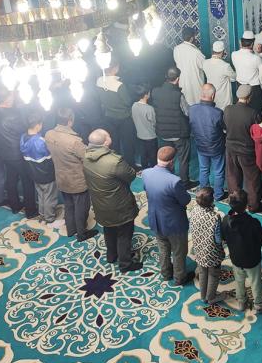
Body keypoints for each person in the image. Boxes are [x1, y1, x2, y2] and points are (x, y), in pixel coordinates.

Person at [83, 129, 141, 272]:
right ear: (106, 142)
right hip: (119, 205)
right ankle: (125, 263)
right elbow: (131, 175)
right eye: (108, 135)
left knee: (109, 229)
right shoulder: (114, 161)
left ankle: (112, 255)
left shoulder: (85, 156)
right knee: (124, 233)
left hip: (99, 203)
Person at [142, 146, 194, 285]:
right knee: (178, 251)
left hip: (155, 219)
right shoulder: (174, 181)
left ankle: (165, 273)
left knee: (163, 248)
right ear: (172, 162)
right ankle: (180, 278)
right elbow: (185, 200)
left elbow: (147, 190)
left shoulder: (146, 173)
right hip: (174, 223)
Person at [45, 108, 98, 241]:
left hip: (61, 177)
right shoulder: (73, 141)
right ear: (70, 121)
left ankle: (71, 229)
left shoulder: (49, 134)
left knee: (68, 205)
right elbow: (87, 157)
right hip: (76, 180)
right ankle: (81, 233)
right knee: (82, 207)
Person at [221, 190, 262, 313]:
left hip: (236, 258)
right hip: (252, 259)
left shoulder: (225, 220)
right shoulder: (253, 223)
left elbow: (223, 238)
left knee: (239, 280)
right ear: (246, 205)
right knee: (256, 281)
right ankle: (259, 304)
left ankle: (241, 302)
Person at [0, 87, 37, 217]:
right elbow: (25, 129)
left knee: (11, 179)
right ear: (6, 99)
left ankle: (15, 206)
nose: (14, 99)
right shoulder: (11, 116)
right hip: (16, 153)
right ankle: (30, 210)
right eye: (11, 97)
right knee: (27, 181)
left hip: (3, 152)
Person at [152, 67, 195, 188]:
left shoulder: (155, 91)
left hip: (163, 132)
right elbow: (187, 112)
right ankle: (184, 182)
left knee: (166, 158)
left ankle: (167, 179)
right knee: (183, 159)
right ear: (177, 79)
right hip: (179, 133)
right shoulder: (178, 95)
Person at [224, 85, 262, 210]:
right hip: (247, 152)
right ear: (249, 97)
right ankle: (253, 205)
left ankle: (235, 203)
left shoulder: (228, 109)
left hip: (231, 149)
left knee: (232, 178)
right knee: (251, 180)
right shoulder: (253, 113)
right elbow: (257, 132)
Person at [96, 59, 136, 167]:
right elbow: (127, 101)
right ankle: (130, 166)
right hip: (123, 117)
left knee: (114, 143)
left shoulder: (99, 81)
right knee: (128, 144)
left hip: (108, 116)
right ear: (115, 68)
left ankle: (116, 166)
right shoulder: (119, 85)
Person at [20, 111, 59, 224]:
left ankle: (42, 214)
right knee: (49, 196)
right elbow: (50, 157)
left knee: (41, 194)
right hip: (46, 173)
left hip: (33, 173)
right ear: (37, 125)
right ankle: (49, 217)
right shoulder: (40, 141)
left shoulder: (23, 137)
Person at [189, 83, 227, 200]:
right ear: (213, 95)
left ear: (201, 94)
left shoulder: (192, 109)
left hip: (200, 146)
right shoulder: (218, 113)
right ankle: (218, 194)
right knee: (218, 171)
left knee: (203, 169)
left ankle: (204, 194)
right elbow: (224, 128)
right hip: (216, 148)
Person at [189, 186, 226, 304]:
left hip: (199, 248)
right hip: (212, 252)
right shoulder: (215, 217)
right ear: (212, 200)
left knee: (202, 271)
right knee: (213, 274)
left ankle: (203, 296)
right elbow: (218, 239)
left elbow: (191, 228)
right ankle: (211, 297)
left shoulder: (194, 211)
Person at [231, 31, 262, 113]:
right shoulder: (256, 58)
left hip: (240, 87)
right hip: (254, 90)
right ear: (252, 44)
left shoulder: (234, 54)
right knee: (255, 112)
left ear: (241, 42)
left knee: (242, 111)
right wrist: (261, 53)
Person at [173, 26, 206, 106]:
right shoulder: (196, 52)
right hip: (195, 83)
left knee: (186, 105)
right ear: (192, 38)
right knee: (197, 105)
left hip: (182, 83)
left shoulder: (176, 49)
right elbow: (205, 66)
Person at [203, 40, 236, 110]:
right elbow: (234, 77)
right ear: (223, 52)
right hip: (224, 98)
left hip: (211, 96)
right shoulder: (225, 66)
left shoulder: (205, 63)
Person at [131, 85, 158, 169]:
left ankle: (145, 171)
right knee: (153, 157)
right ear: (146, 95)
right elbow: (154, 123)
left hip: (140, 136)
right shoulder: (149, 108)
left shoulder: (134, 106)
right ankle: (154, 173)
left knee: (143, 156)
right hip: (151, 136)